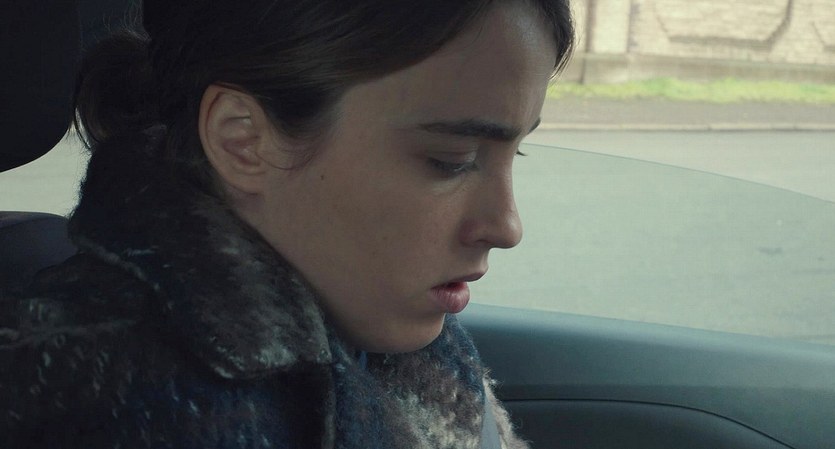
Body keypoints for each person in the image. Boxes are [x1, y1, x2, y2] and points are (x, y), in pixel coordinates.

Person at [0, 0, 574, 447]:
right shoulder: (117, 405)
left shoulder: (375, 322)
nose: (507, 226)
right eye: (451, 160)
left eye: (515, 152)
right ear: (242, 140)